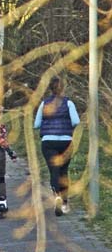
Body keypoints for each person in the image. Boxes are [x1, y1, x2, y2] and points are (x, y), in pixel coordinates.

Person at [34, 76, 80, 216]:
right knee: (63, 172)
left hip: (48, 142)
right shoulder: (69, 103)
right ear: (62, 88)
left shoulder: (44, 104)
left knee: (54, 171)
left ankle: (57, 197)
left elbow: (36, 125)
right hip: (65, 142)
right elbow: (76, 121)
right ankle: (65, 203)